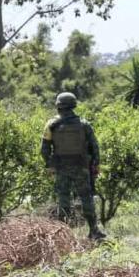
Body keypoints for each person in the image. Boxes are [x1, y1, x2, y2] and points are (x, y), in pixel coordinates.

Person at [41, 92, 106, 240]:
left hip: (61, 168)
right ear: (74, 105)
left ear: (58, 106)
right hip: (81, 167)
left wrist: (50, 165)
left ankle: (62, 236)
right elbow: (95, 147)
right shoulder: (84, 124)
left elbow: (44, 149)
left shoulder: (51, 125)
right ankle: (94, 231)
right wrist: (95, 165)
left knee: (63, 199)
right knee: (86, 198)